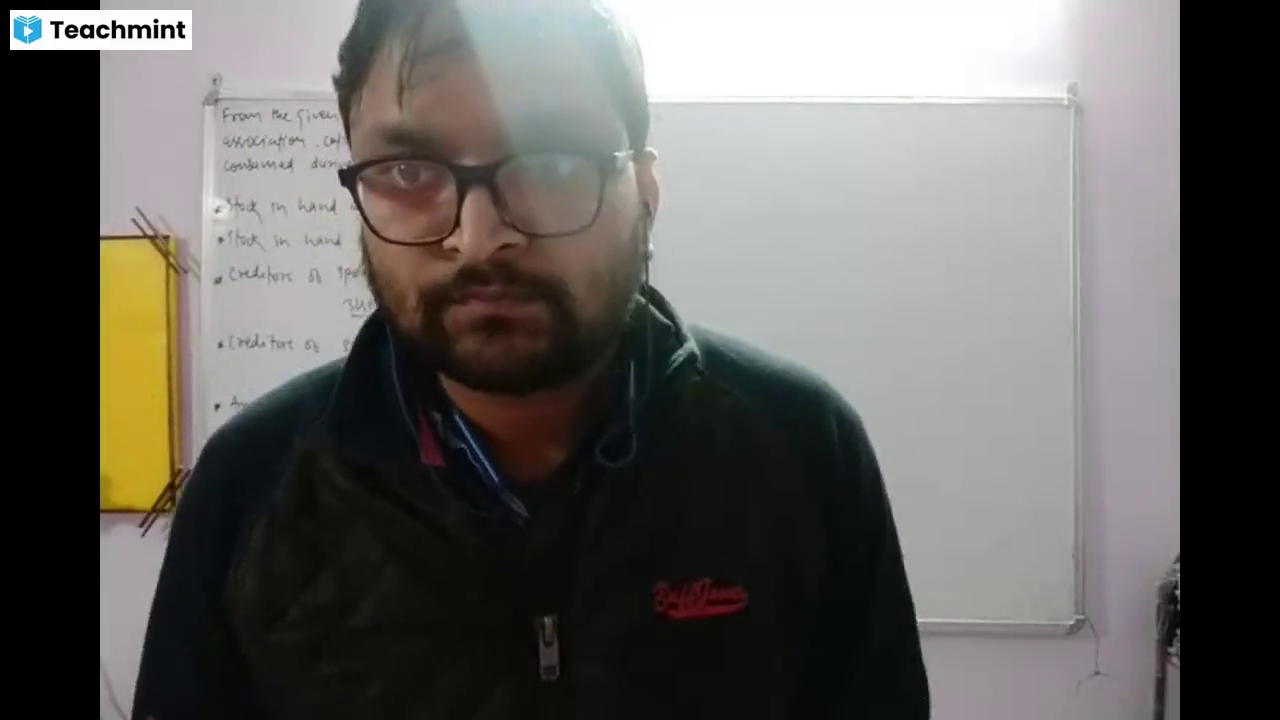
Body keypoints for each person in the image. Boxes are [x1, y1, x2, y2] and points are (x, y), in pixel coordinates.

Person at [132, 1, 930, 718]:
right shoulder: (252, 486)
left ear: (646, 192)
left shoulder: (801, 450)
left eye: (549, 163)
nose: (479, 238)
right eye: (409, 171)